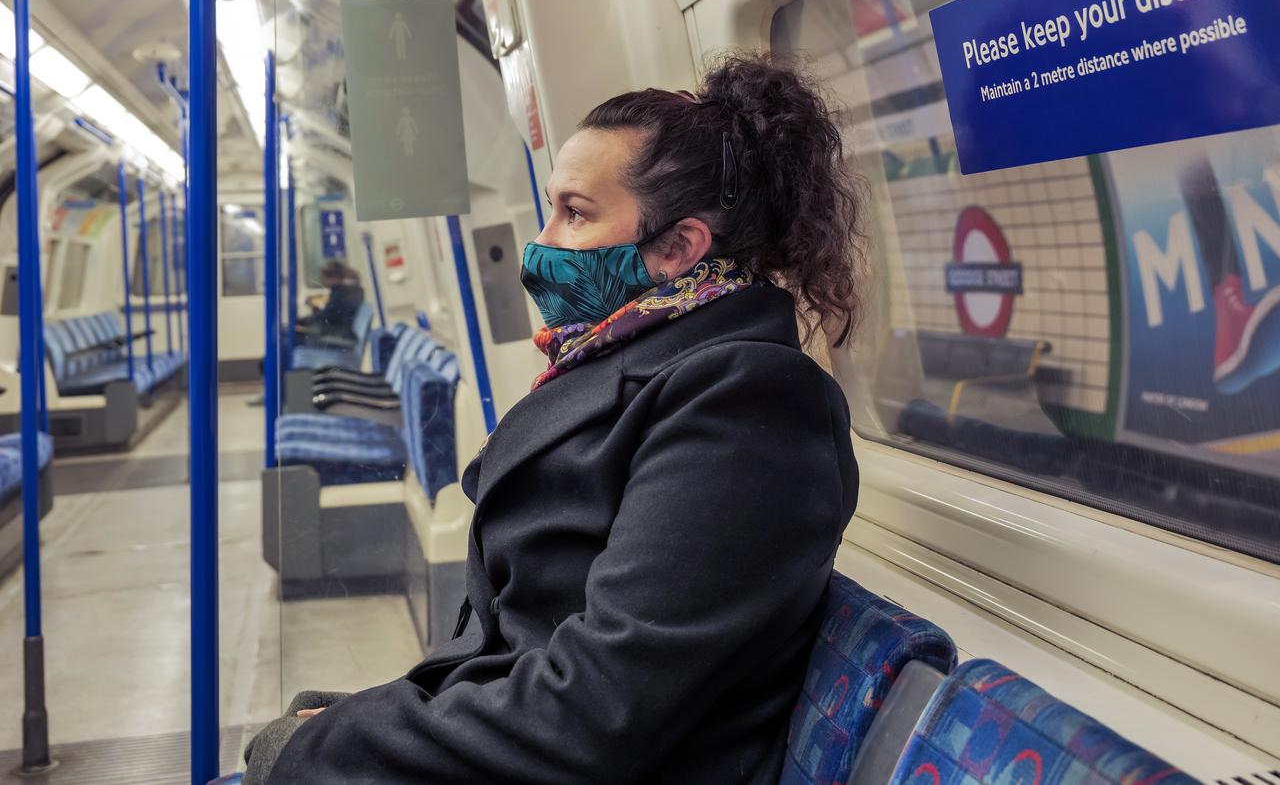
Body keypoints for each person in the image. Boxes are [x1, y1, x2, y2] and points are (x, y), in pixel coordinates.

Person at [247, 52, 864, 784]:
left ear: (678, 247)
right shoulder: (622, 357)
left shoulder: (748, 403)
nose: (541, 241)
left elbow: (594, 710)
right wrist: (364, 719)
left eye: (575, 213)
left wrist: (337, 745)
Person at [296, 259, 364, 345]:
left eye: (324, 278)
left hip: (341, 334)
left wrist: (302, 321)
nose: (323, 281)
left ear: (333, 277)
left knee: (298, 338)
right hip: (344, 330)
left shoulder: (340, 291)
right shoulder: (347, 291)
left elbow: (327, 315)